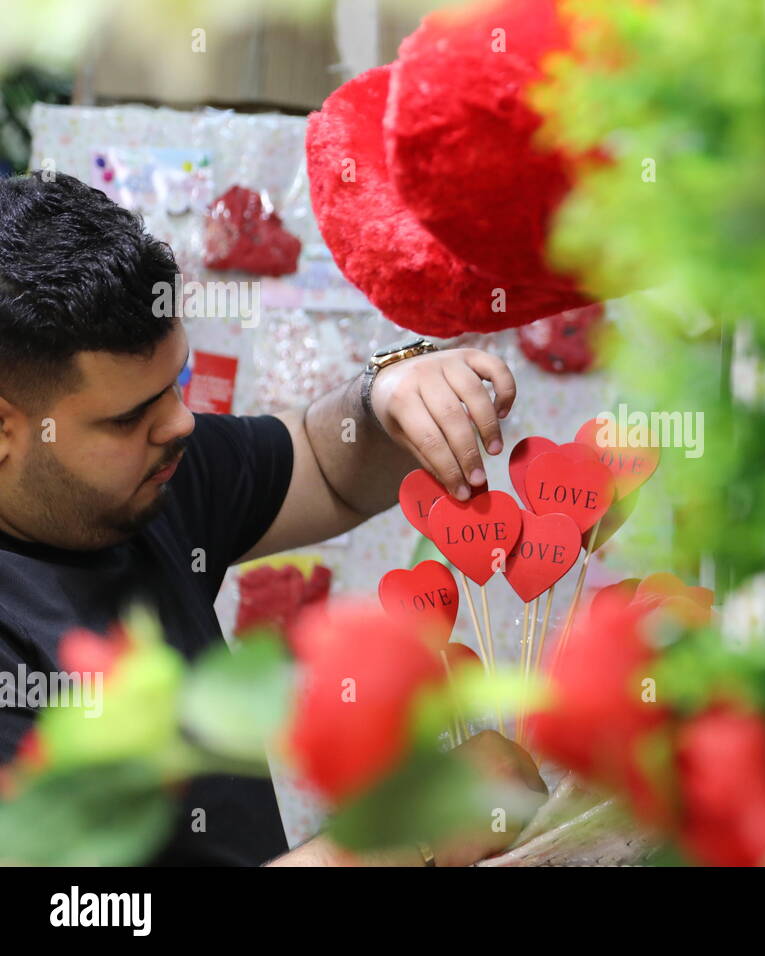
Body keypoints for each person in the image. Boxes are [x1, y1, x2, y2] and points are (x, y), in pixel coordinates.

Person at [0, 171, 544, 865]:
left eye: (180, 381)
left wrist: (392, 390)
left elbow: (321, 464)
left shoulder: (148, 475)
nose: (181, 422)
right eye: (132, 415)